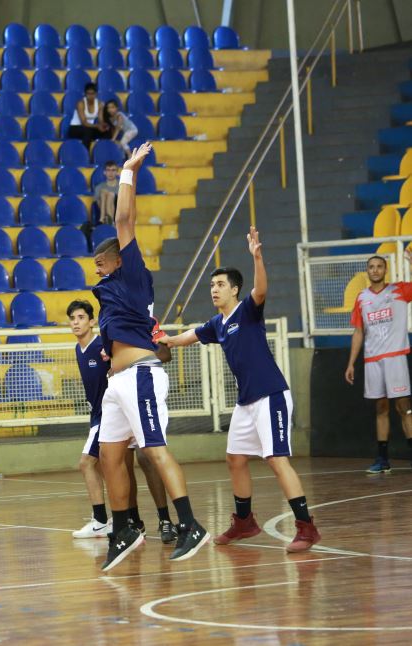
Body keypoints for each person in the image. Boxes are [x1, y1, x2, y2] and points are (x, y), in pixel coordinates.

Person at [160, 227, 321, 553]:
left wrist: (257, 257)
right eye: (212, 285)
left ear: (235, 290)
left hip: (271, 395)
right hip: (247, 402)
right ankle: (244, 522)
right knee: (235, 458)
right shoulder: (217, 324)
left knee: (277, 460)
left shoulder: (247, 310)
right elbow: (190, 335)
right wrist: (164, 340)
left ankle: (306, 527)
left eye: (220, 285)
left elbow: (261, 289)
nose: (214, 290)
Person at [90, 142, 208, 572]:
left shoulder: (133, 274)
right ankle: (125, 528)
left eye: (99, 263)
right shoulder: (108, 299)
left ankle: (191, 523)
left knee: (155, 451)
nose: (96, 270)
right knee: (108, 456)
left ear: (114, 259)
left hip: (140, 375)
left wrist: (128, 172)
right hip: (116, 383)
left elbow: (123, 218)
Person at [68, 300, 178, 545]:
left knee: (147, 459)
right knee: (121, 465)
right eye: (72, 318)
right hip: (109, 412)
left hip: (136, 400)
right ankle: (133, 521)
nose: (76, 323)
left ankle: (167, 520)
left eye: (80, 317)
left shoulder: (137, 325)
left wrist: (125, 361)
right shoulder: (96, 340)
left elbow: (164, 354)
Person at [345, 252, 412, 473]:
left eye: (379, 266)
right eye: (371, 266)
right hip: (372, 360)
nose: (375, 270)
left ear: (385, 270)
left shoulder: (399, 290)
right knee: (381, 408)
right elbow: (358, 332)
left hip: (395, 358)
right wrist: (351, 363)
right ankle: (382, 459)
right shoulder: (361, 298)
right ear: (368, 271)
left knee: (404, 408)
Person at [66, 83, 109, 151]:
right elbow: (84, 122)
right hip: (75, 128)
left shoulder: (100, 104)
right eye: (88, 93)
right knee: (88, 131)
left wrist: (104, 125)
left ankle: (103, 152)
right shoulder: (80, 103)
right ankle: (85, 153)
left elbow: (100, 120)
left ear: (96, 94)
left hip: (90, 128)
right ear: (85, 94)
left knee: (106, 132)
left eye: (92, 93)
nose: (90, 96)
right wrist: (97, 126)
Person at [93, 161, 121, 226]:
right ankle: (107, 220)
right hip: (103, 210)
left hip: (118, 213)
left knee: (110, 194)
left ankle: (103, 219)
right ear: (104, 172)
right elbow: (97, 205)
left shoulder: (121, 186)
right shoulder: (99, 187)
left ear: (117, 172)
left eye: (113, 170)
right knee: (103, 192)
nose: (110, 173)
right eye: (108, 170)